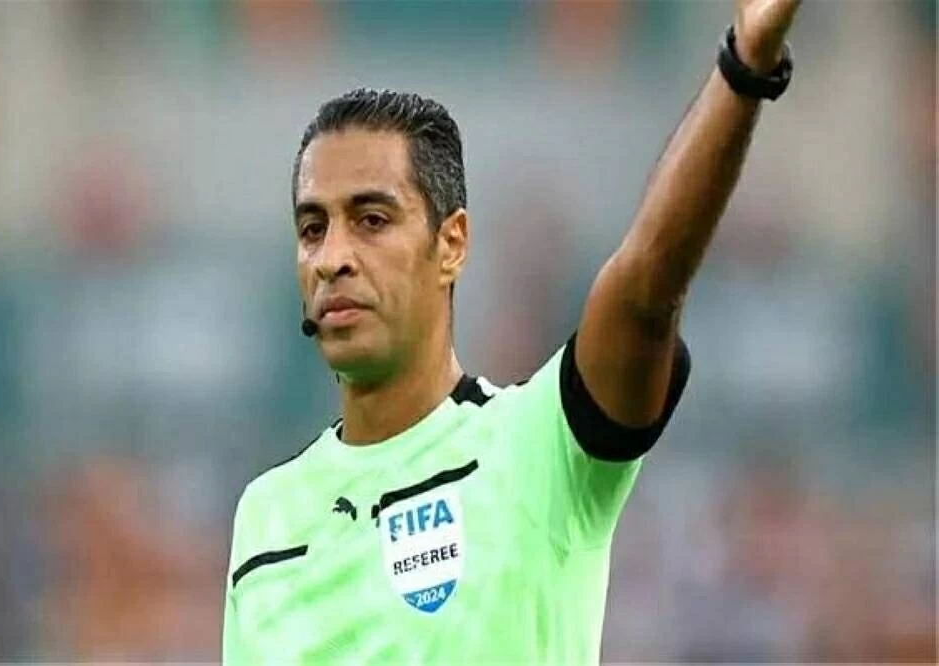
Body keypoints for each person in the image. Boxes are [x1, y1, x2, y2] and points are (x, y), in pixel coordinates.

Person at [223, 0, 803, 662]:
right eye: (312, 228)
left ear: (451, 244)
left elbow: (646, 288)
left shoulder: (537, 447)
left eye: (372, 220)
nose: (333, 257)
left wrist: (743, 67)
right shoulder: (264, 517)